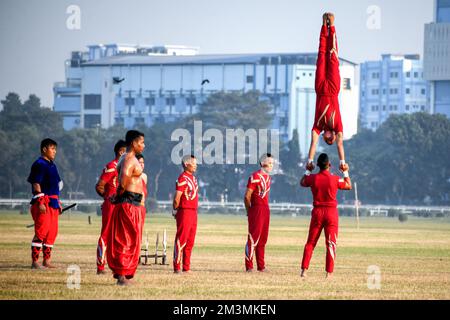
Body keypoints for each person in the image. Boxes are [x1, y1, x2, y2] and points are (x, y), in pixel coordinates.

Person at [300, 153, 352, 279]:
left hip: (317, 212)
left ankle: (304, 271)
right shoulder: (334, 178)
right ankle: (329, 273)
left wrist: (308, 169)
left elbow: (302, 182)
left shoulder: (313, 178)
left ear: (317, 165)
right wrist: (345, 172)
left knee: (311, 243)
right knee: (331, 244)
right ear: (329, 165)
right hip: (331, 213)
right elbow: (348, 185)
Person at [306, 13, 347, 173]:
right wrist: (343, 165)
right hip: (333, 88)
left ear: (324, 136)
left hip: (320, 88)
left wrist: (310, 163)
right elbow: (340, 144)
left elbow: (313, 144)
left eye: (327, 140)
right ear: (334, 137)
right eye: (332, 140)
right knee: (332, 55)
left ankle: (324, 26)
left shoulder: (318, 126)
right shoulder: (338, 127)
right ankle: (333, 26)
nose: (329, 139)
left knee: (322, 54)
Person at [106, 130, 145, 285]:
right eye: (141, 142)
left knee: (131, 238)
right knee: (125, 239)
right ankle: (121, 275)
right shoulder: (129, 160)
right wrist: (117, 195)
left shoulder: (126, 158)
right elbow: (122, 182)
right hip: (128, 203)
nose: (143, 145)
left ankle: (123, 272)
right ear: (133, 143)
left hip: (132, 203)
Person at [27, 138, 63, 269]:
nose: (55, 151)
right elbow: (36, 183)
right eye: (52, 148)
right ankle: (35, 262)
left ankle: (46, 261)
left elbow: (56, 186)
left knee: (52, 232)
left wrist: (58, 202)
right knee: (41, 232)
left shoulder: (52, 165)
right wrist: (41, 201)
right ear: (44, 149)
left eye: (55, 149)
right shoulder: (39, 164)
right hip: (43, 202)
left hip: (53, 203)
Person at [94, 140, 126, 275]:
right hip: (112, 205)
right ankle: (100, 267)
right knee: (106, 234)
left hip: (122, 205)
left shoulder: (124, 168)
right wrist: (107, 197)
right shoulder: (112, 166)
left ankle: (117, 266)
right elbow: (99, 185)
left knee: (119, 236)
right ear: (121, 152)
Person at [244, 153, 274, 272]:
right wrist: (249, 211)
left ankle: (261, 266)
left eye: (273, 163)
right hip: (256, 209)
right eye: (270, 163)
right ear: (262, 163)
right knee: (253, 238)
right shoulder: (255, 176)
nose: (272, 165)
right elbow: (247, 196)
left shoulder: (268, 178)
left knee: (263, 239)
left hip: (265, 209)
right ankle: (249, 266)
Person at [172, 155, 198, 274]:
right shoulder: (182, 178)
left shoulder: (193, 178)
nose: (196, 165)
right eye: (193, 163)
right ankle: (177, 267)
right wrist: (175, 209)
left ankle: (186, 267)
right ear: (186, 164)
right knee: (181, 239)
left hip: (193, 211)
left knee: (190, 241)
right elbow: (177, 197)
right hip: (185, 211)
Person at [136, 153, 147, 241]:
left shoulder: (144, 176)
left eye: (143, 162)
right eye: (139, 162)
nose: (142, 164)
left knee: (140, 233)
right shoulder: (131, 176)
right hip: (134, 207)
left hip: (142, 207)